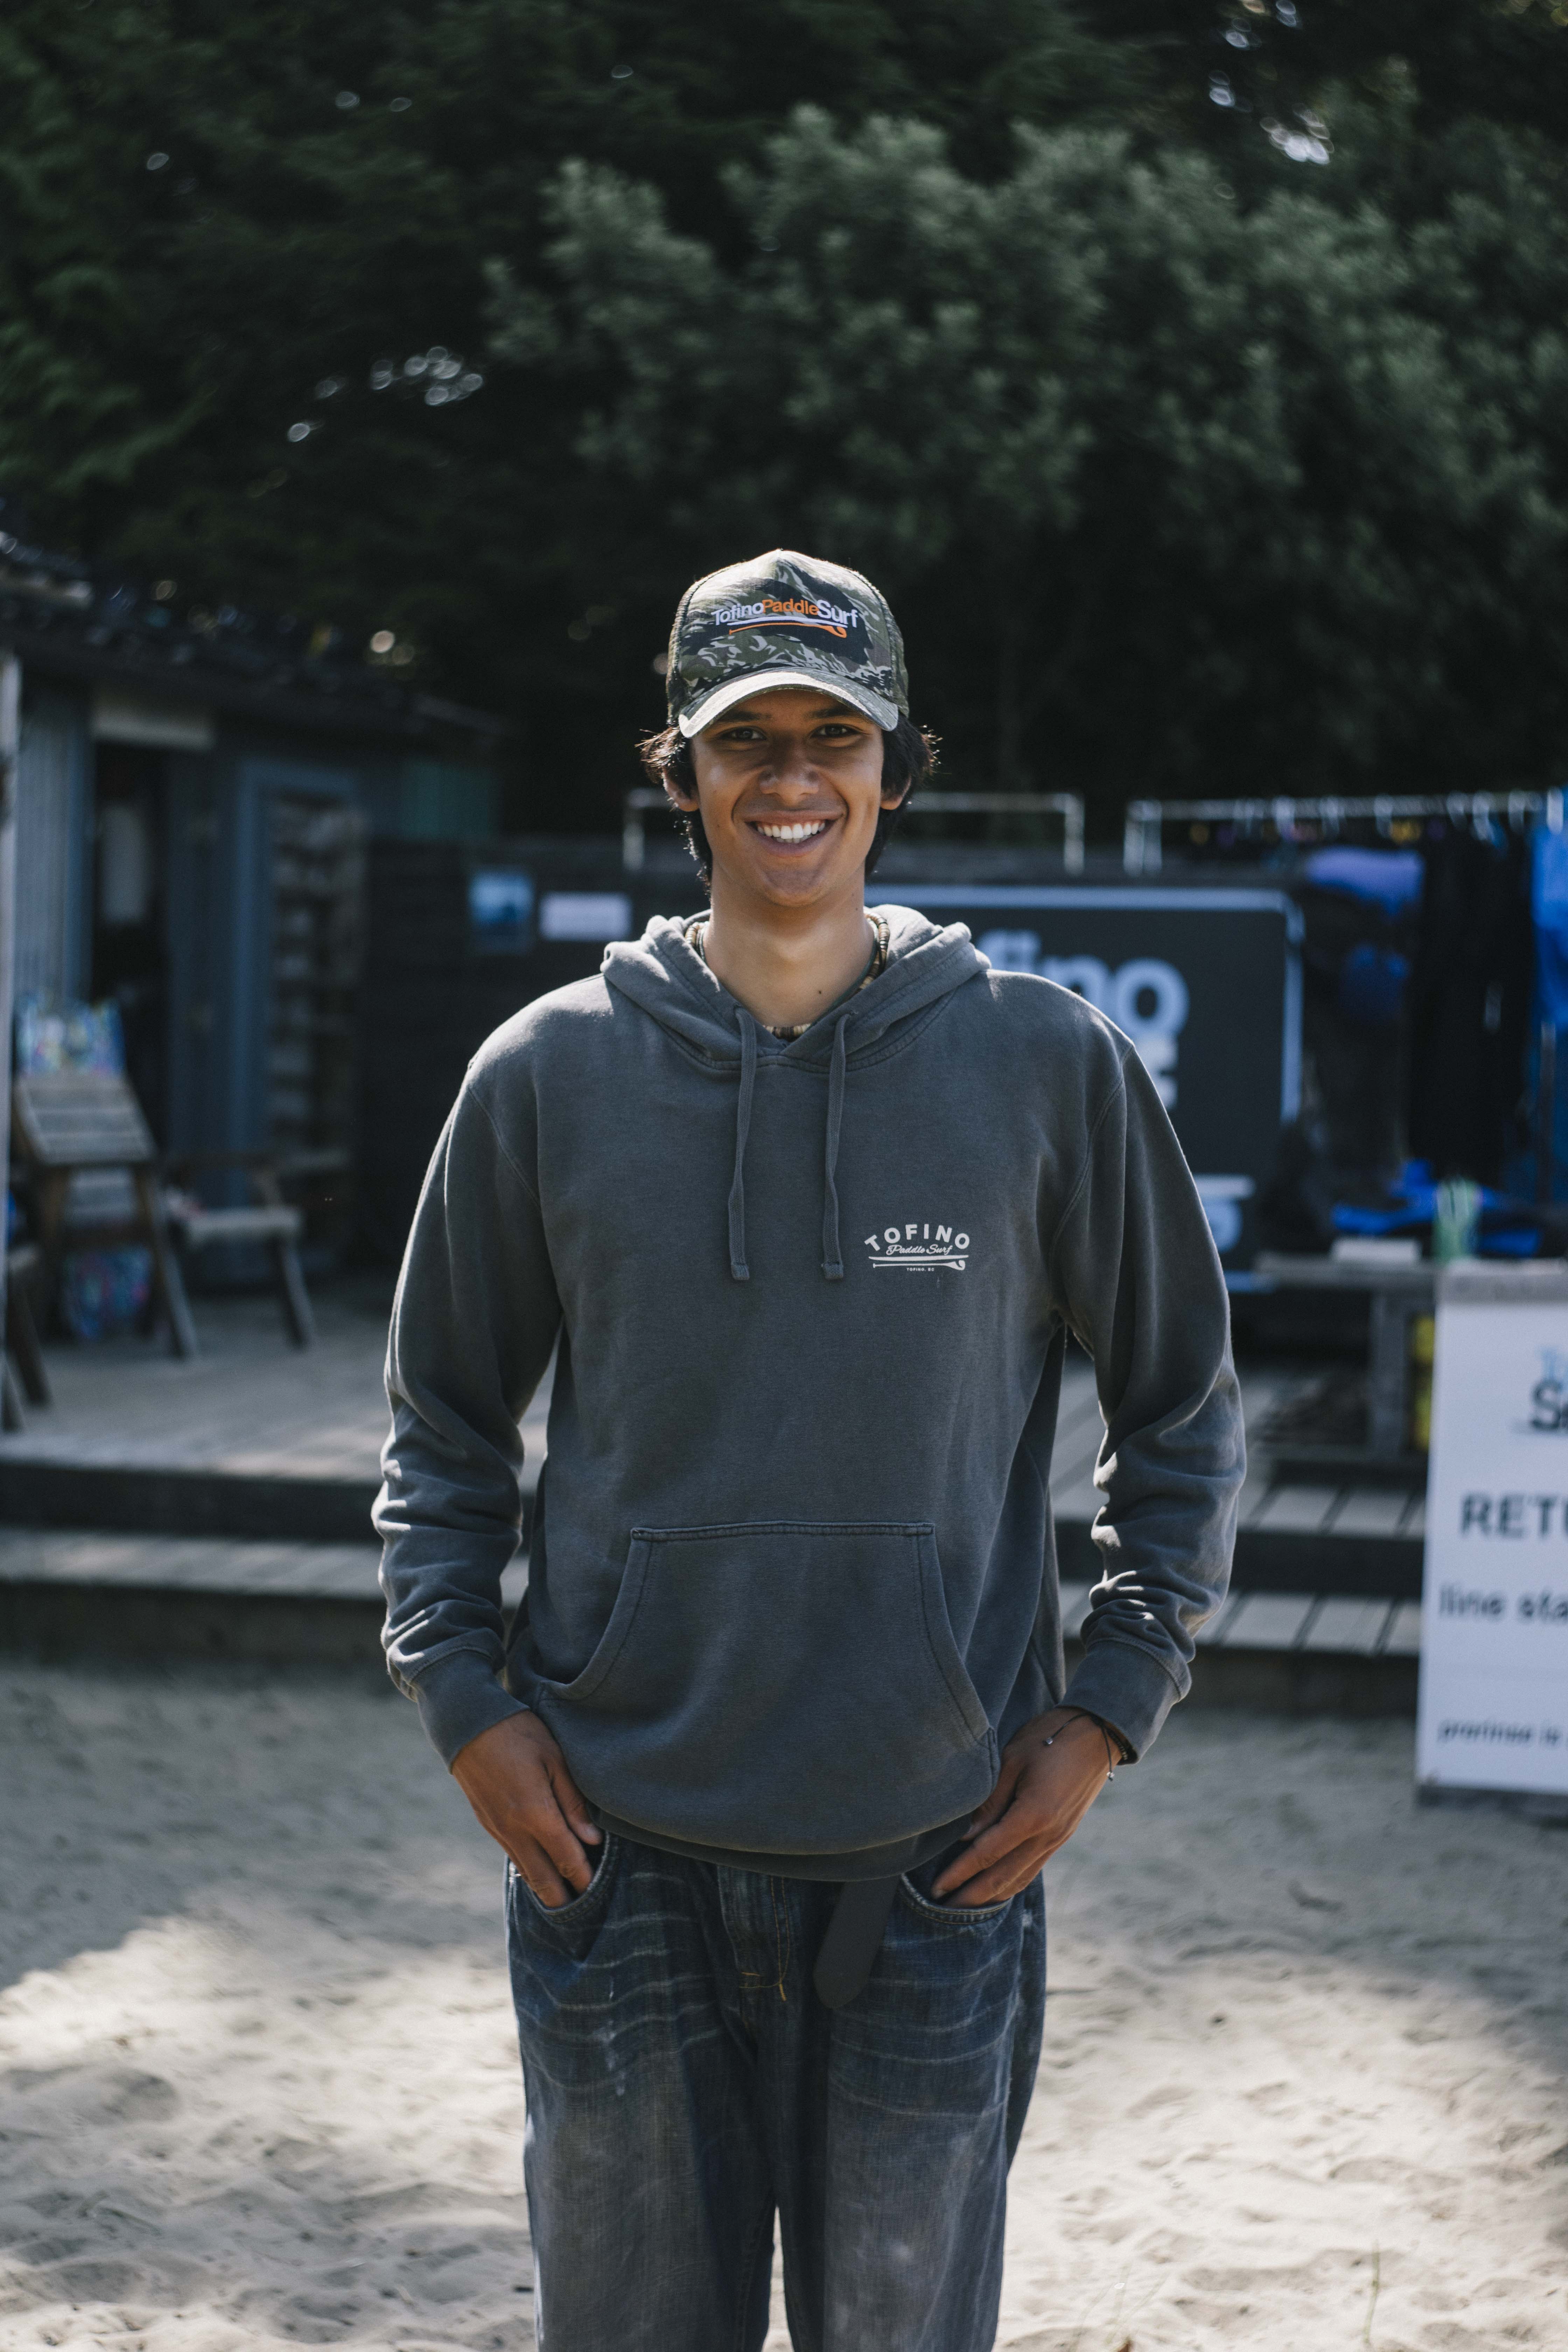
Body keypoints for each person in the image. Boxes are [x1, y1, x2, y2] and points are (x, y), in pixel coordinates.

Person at [376, 547, 1244, 2352]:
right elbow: (442, 1423)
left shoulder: (1044, 1067)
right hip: (611, 1859)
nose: (791, 778)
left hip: (935, 1860)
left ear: (895, 765)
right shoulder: (545, 1074)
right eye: (745, 737)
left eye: (832, 736)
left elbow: (1183, 1406)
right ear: (680, 769)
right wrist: (462, 1697)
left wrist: (1111, 1704)